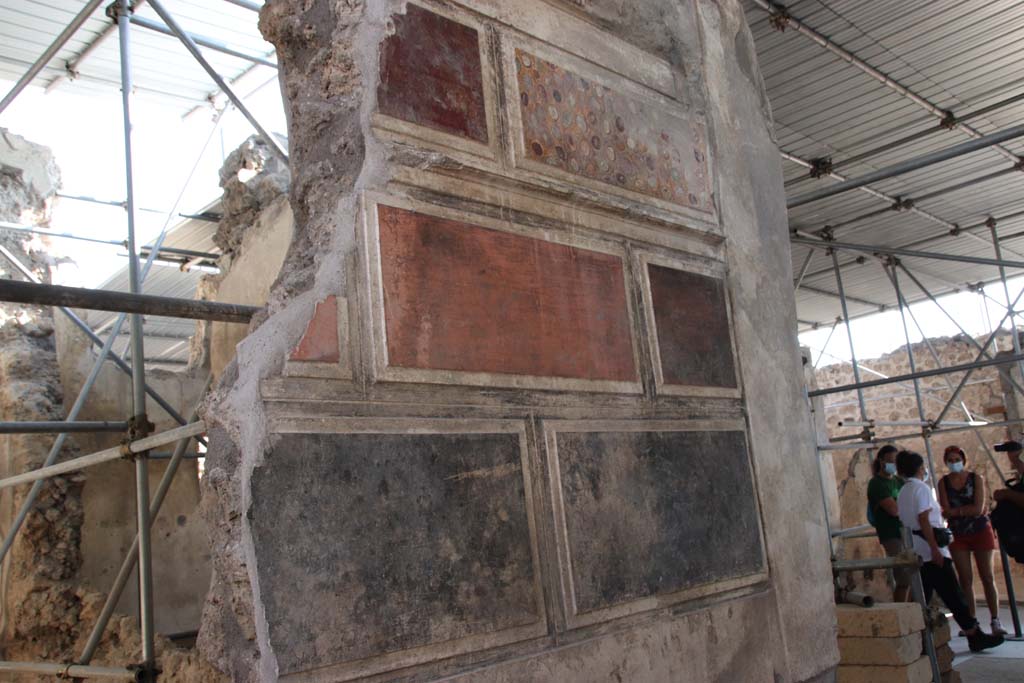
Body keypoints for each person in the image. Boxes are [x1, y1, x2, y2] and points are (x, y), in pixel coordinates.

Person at [896, 449, 1003, 652]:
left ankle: (917, 638)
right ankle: (973, 633)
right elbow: (924, 519)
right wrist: (935, 548)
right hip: (930, 549)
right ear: (920, 469)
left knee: (923, 596)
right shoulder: (921, 489)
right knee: (953, 593)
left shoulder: (904, 491)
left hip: (918, 548)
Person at [937, 445, 1005, 635]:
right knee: (965, 579)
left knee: (987, 576)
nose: (953, 463)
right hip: (958, 533)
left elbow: (978, 508)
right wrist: (963, 511)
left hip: (980, 530)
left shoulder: (976, 479)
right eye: (949, 460)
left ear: (963, 459)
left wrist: (957, 511)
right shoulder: (943, 483)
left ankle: (995, 620)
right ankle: (971, 621)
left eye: (956, 459)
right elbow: (944, 509)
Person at [867, 445, 911, 601]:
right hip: (891, 533)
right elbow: (894, 510)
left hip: (907, 530)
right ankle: (901, 612)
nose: (893, 465)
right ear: (881, 461)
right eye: (890, 461)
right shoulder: (876, 483)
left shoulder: (899, 481)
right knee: (903, 577)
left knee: (914, 575)